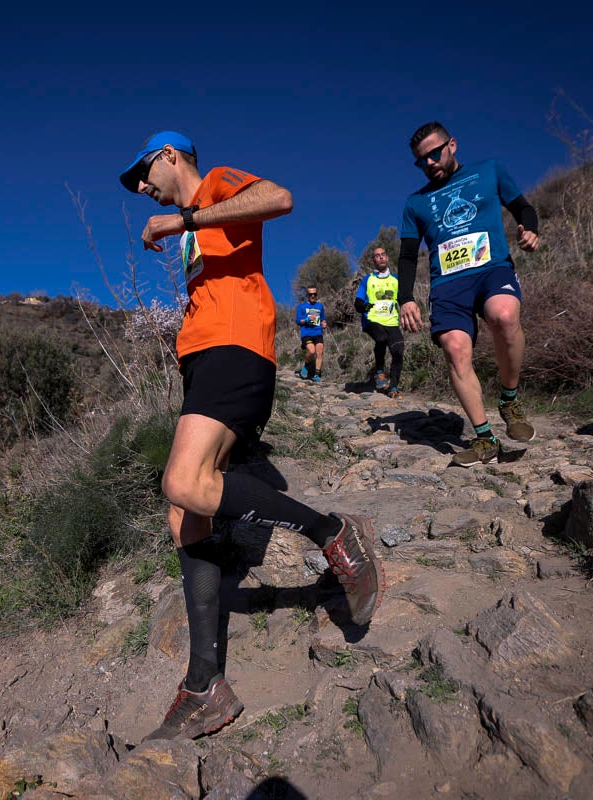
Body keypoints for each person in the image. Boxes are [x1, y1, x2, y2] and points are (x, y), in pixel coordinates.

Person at [120, 131, 384, 740]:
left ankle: (332, 533)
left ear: (169, 154)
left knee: (183, 482)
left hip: (235, 348)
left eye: (142, 171)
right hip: (206, 357)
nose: (140, 187)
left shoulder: (215, 184)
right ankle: (205, 684)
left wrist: (182, 216)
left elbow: (280, 197)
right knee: (185, 516)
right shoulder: (195, 226)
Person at [396, 122, 540, 467]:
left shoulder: (488, 171)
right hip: (448, 284)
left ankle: (509, 399)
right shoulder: (415, 203)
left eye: (435, 153)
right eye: (421, 160)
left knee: (504, 316)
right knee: (455, 348)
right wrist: (406, 297)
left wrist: (530, 228)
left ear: (453, 145)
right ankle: (485, 438)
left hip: (492, 270)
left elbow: (523, 207)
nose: (429, 162)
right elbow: (406, 254)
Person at [355, 247, 405, 398]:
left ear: (387, 258)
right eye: (377, 256)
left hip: (391, 321)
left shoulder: (396, 279)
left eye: (383, 254)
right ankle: (379, 372)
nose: (381, 257)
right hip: (372, 319)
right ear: (373, 260)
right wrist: (363, 306)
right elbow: (358, 301)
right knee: (381, 338)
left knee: (398, 351)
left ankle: (394, 387)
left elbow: (404, 299)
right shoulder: (368, 279)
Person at [294, 286, 327, 382]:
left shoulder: (320, 306)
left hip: (318, 332)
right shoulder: (301, 307)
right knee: (312, 351)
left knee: (320, 352)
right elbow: (298, 321)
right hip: (306, 333)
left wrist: (324, 323)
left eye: (315, 294)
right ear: (307, 295)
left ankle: (316, 375)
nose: (313, 296)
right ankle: (306, 366)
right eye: (310, 294)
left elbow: (323, 318)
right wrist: (307, 319)